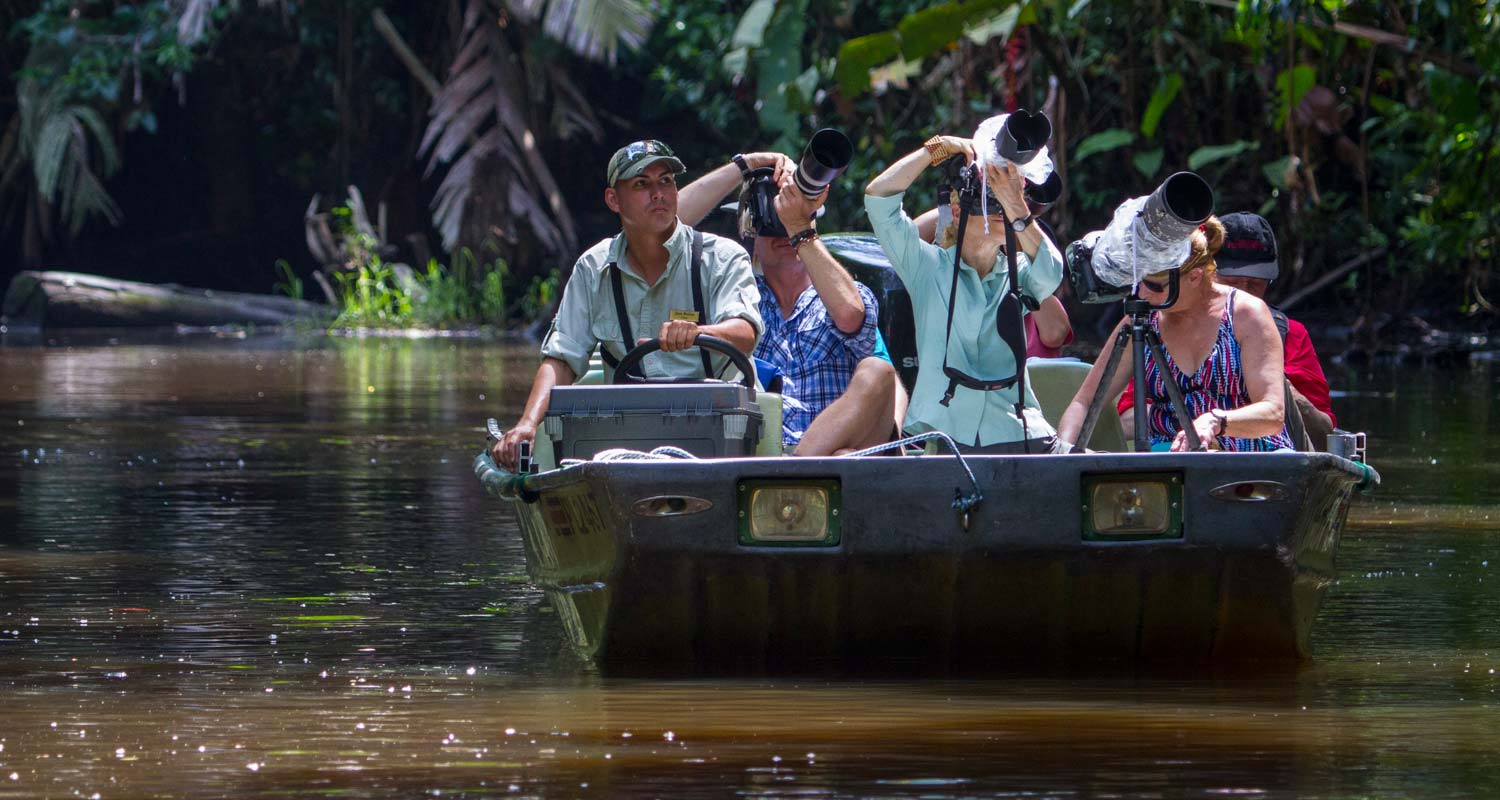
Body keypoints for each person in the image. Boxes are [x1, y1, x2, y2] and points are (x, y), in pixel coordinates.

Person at [492, 140, 763, 470]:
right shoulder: (593, 268)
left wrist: (697, 333)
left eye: (666, 180)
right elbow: (562, 358)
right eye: (641, 184)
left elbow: (745, 332)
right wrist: (526, 425)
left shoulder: (721, 257)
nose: (658, 193)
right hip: (627, 438)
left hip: (723, 433)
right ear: (613, 200)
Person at [676, 152, 906, 455]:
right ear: (750, 232)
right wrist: (745, 165)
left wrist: (800, 228)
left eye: (791, 219)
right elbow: (659, 226)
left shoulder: (844, 294)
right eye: (771, 220)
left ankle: (799, 469)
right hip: (756, 459)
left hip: (833, 466)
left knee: (877, 371)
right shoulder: (733, 300)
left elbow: (852, 317)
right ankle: (795, 471)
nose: (783, 232)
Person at [863, 128, 1065, 453]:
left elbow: (1051, 273)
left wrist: (1017, 206)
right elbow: (878, 199)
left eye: (1006, 206)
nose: (1001, 211)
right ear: (957, 212)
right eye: (992, 203)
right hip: (947, 438)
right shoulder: (927, 267)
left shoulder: (1017, 272)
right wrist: (934, 150)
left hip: (1021, 434)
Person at [1056, 216, 1294, 452]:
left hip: (1252, 457)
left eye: (1154, 286)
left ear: (1194, 276)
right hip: (1171, 461)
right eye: (1139, 283)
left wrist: (1215, 422)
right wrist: (1064, 455)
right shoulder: (1141, 321)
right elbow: (1083, 403)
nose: (1142, 294)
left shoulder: (1246, 314)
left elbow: (1272, 413)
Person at [1114, 212, 1336, 448]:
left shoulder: (1289, 333)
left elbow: (1323, 433)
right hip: (1183, 447)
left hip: (1267, 448)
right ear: (1202, 274)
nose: (1244, 292)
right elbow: (1125, 416)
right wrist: (1192, 420)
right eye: (1233, 281)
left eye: (1255, 284)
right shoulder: (1153, 325)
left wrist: (1274, 382)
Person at [915, 194, 1074, 359]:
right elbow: (907, 240)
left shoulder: (1032, 281)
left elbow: (1055, 334)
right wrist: (967, 200)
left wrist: (1018, 246)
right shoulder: (953, 281)